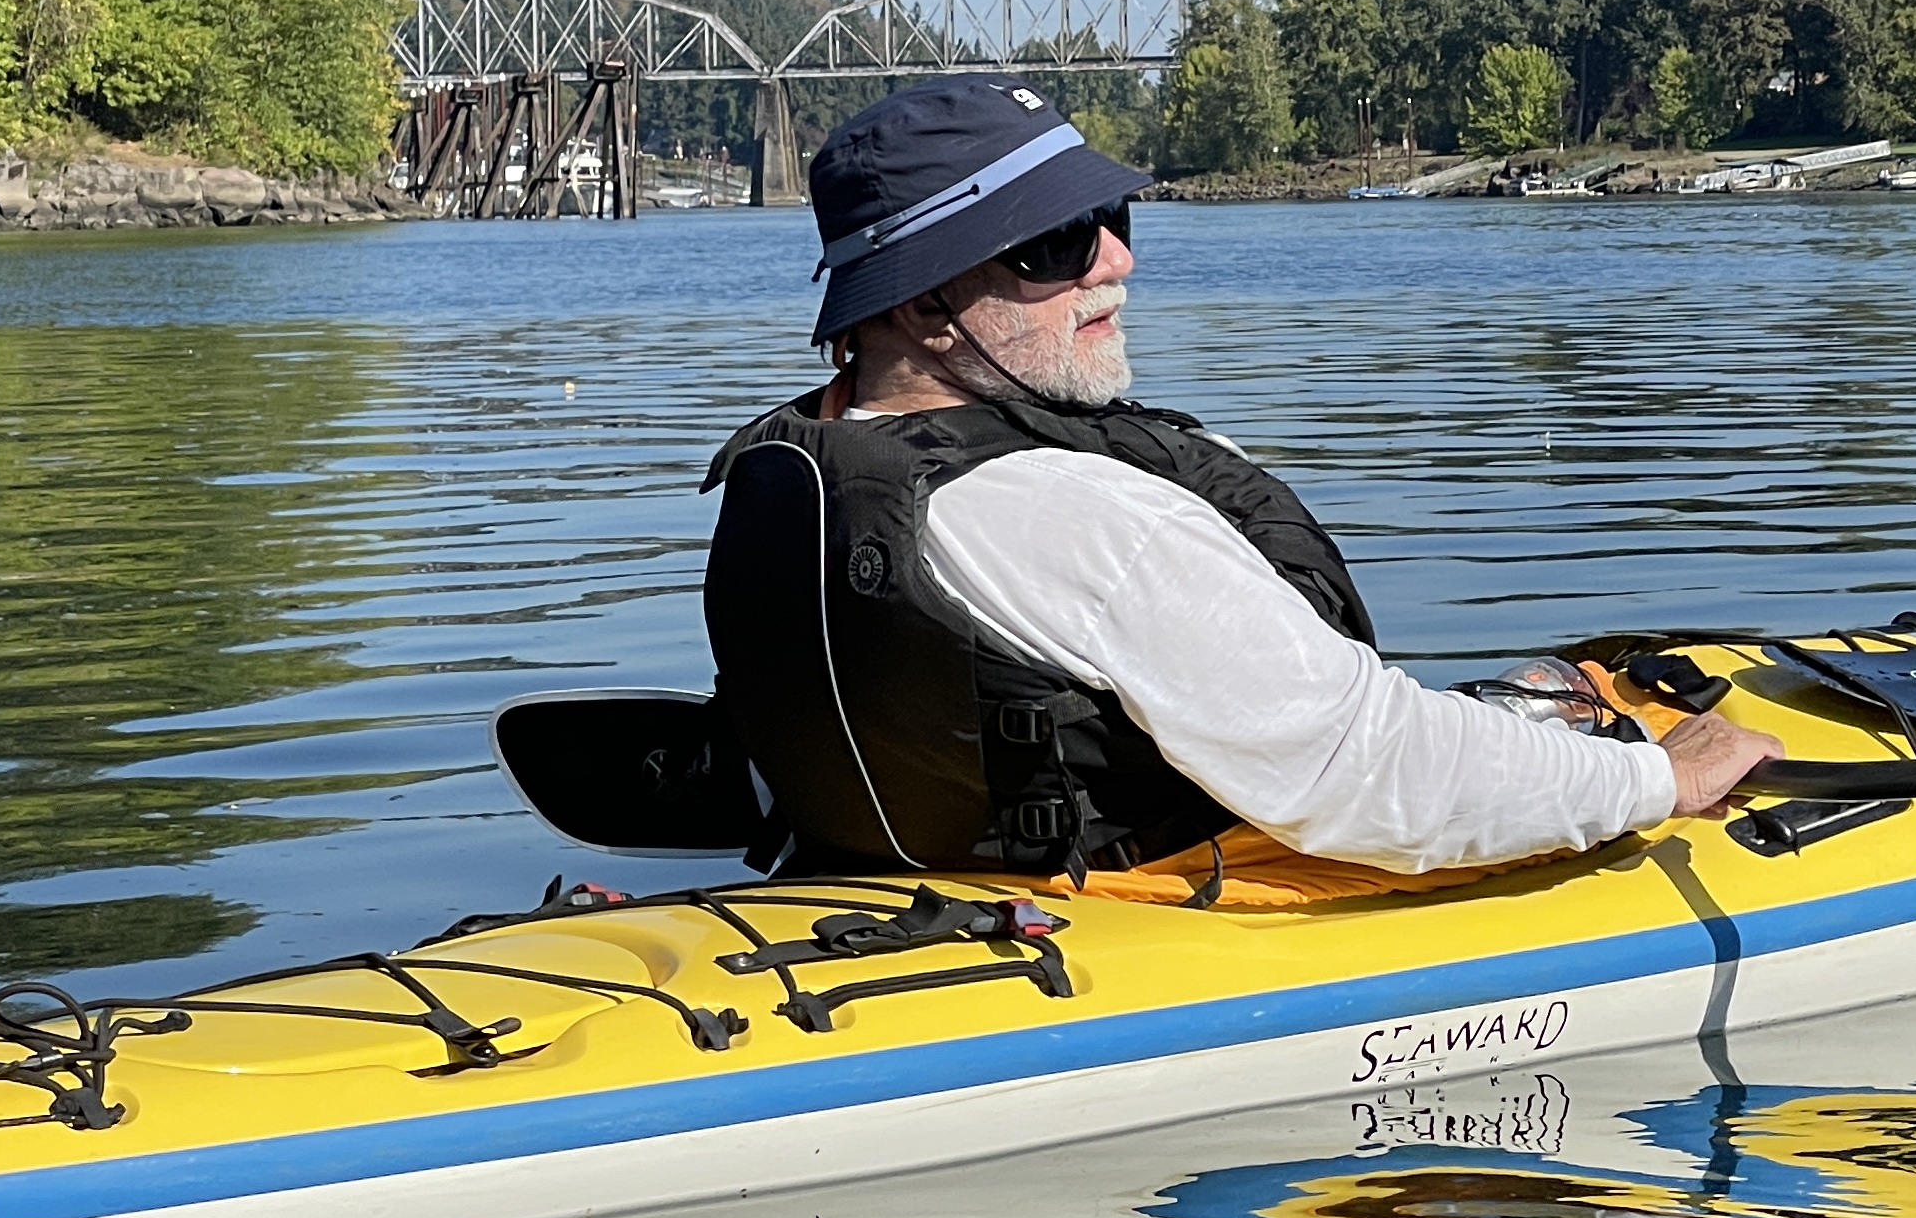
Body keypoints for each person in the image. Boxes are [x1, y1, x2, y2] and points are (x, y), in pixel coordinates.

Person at [701, 77, 1782, 884]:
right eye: (1055, 244)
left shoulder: (793, 468)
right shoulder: (1076, 515)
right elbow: (1370, 767)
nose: (1116, 262)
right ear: (921, 309)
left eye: (1111, 221)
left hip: (882, 898)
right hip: (1116, 937)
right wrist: (1655, 779)